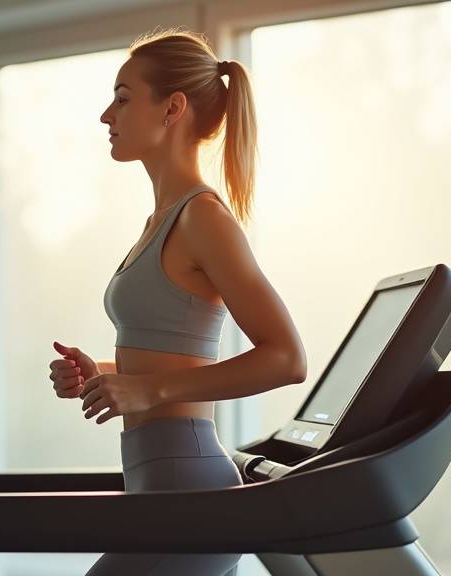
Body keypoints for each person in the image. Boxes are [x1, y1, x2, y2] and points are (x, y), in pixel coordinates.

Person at [46, 27, 308, 576]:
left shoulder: (203, 218)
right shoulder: (161, 222)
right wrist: (105, 374)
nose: (106, 115)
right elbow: (171, 354)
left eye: (122, 98)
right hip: (157, 486)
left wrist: (146, 389)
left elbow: (287, 358)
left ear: (172, 108)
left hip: (188, 493)